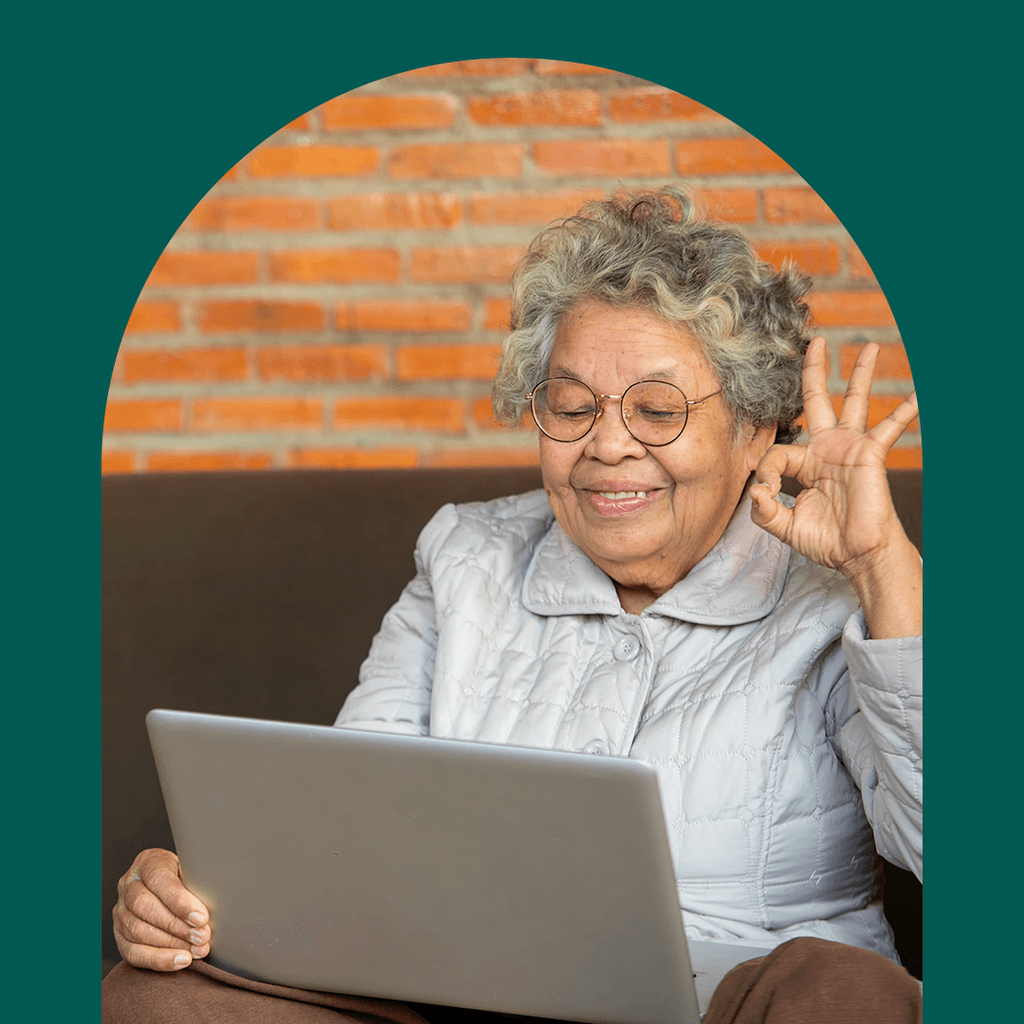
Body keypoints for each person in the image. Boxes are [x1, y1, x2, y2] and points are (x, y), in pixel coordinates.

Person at [104, 188, 923, 1023]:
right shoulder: (466, 558)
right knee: (154, 995)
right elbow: (343, 835)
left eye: (657, 410)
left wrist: (881, 564)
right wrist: (188, 897)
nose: (608, 445)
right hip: (463, 993)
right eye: (571, 407)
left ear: (755, 430)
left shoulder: (838, 596)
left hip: (723, 999)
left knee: (845, 996)